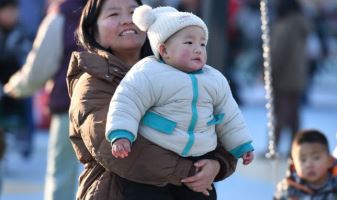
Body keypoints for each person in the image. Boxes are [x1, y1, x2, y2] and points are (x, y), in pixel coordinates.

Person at [67, 0, 238, 199]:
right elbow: (114, 150)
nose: (127, 20)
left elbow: (222, 124)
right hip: (117, 191)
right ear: (92, 31)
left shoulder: (181, 69)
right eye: (113, 14)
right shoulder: (92, 83)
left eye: (134, 12)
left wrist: (218, 163)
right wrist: (191, 172)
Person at [106, 5, 254, 167]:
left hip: (200, 155)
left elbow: (230, 116)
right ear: (164, 50)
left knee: (200, 190)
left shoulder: (214, 79)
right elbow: (127, 102)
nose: (198, 49)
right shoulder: (149, 72)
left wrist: (242, 145)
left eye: (202, 44)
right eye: (189, 42)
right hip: (157, 148)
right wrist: (121, 134)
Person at [4, 0, 85, 199]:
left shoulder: (62, 15)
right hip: (115, 108)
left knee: (61, 177)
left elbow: (39, 68)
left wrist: (13, 88)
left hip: (70, 105)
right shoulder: (114, 10)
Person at [270, 0, 311, 155]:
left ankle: (273, 148)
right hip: (297, 77)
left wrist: (269, 73)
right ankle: (295, 148)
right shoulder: (301, 25)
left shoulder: (284, 26)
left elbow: (276, 54)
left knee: (279, 115)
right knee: (294, 116)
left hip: (283, 77)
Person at [274, 129, 337, 199]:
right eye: (303, 160)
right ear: (294, 164)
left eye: (316, 158)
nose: (309, 165)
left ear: (330, 161)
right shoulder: (289, 188)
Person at [0, 0, 34, 158]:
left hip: (15, 81)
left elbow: (28, 56)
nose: (12, 15)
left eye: (14, 11)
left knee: (26, 102)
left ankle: (24, 141)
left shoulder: (22, 31)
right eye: (8, 11)